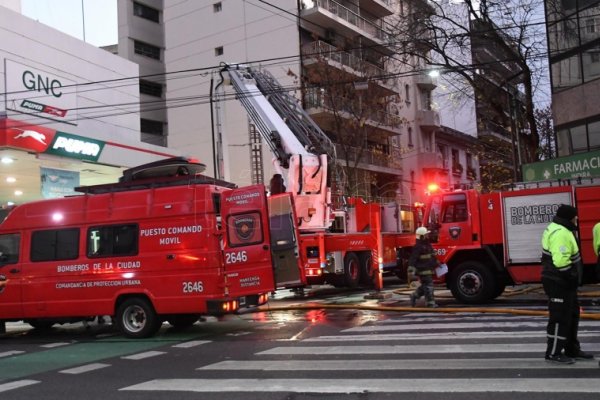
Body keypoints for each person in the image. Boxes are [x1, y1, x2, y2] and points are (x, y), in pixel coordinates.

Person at [541, 204, 593, 364]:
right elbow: (561, 261)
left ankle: (572, 349)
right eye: (575, 217)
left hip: (563, 283)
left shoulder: (560, 229)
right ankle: (553, 352)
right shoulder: (561, 233)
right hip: (559, 282)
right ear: (569, 217)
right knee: (559, 317)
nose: (577, 219)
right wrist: (571, 277)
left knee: (572, 314)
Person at [408, 226, 439, 308]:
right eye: (426, 235)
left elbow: (432, 256)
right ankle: (430, 303)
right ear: (421, 236)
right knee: (429, 285)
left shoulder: (428, 245)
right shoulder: (418, 247)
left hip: (429, 269)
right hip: (423, 270)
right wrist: (411, 269)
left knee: (425, 285)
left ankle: (414, 295)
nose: (427, 236)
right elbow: (413, 258)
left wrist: (437, 263)